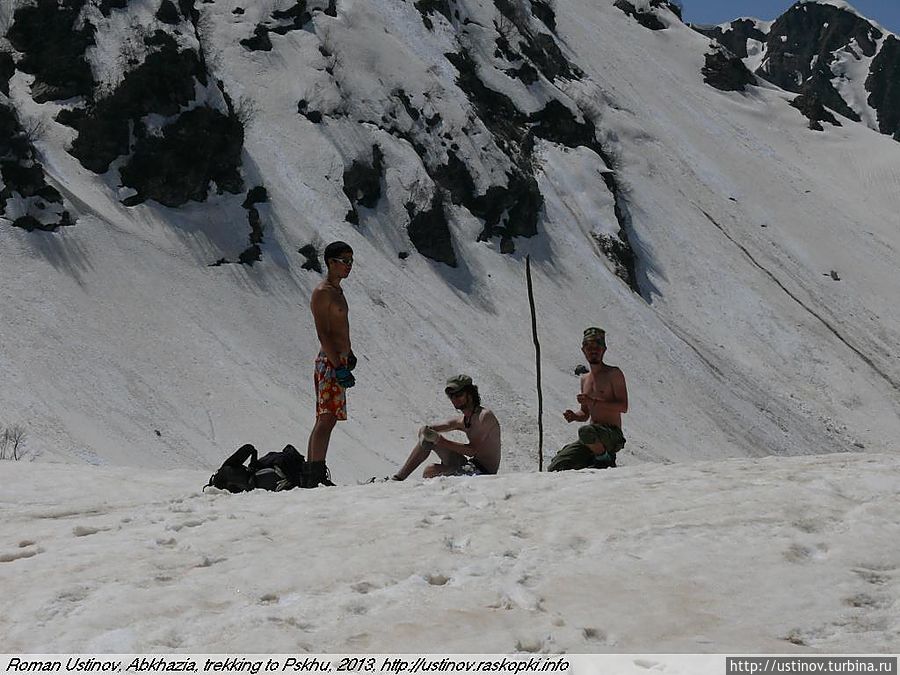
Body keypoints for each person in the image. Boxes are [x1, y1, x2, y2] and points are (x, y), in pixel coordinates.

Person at [305, 241, 356, 487]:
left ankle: (312, 471)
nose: (348, 266)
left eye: (351, 261)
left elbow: (340, 328)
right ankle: (314, 473)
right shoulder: (322, 292)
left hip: (339, 358)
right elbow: (324, 333)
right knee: (326, 418)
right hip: (330, 361)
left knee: (327, 418)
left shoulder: (337, 291)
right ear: (330, 262)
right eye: (344, 261)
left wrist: (350, 353)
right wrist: (338, 365)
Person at [391, 375, 501, 480]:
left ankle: (399, 479)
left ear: (470, 394)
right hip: (471, 465)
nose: (454, 399)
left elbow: (473, 451)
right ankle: (398, 478)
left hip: (482, 472)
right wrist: (425, 432)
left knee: (430, 471)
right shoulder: (464, 420)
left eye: (458, 395)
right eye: (451, 396)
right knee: (428, 445)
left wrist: (440, 441)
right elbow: (431, 428)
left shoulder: (484, 416)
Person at [551, 327, 628, 471]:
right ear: (583, 350)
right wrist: (574, 416)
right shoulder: (585, 379)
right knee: (557, 464)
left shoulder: (613, 374)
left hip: (612, 435)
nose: (593, 351)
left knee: (586, 432)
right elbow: (585, 414)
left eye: (597, 347)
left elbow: (623, 406)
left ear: (604, 350)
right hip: (592, 436)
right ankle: (593, 458)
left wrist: (593, 402)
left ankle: (605, 460)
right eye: (589, 347)